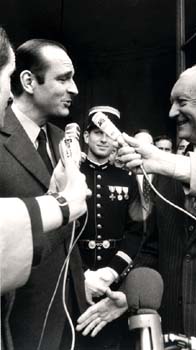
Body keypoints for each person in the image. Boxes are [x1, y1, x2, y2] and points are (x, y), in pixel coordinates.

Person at [117, 63, 196, 349]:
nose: (172, 113)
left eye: (182, 102)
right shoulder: (164, 174)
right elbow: (152, 247)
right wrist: (127, 295)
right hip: (174, 336)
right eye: (172, 103)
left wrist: (169, 164)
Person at [0, 38, 89, 350]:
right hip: (17, 319)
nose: (74, 89)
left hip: (71, 312)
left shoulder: (62, 139)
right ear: (27, 81)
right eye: (63, 78)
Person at [77, 105, 143, 350]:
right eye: (97, 132)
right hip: (75, 281)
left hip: (115, 286)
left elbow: (137, 232)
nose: (104, 139)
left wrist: (112, 272)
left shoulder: (127, 179)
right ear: (86, 136)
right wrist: (81, 273)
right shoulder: (71, 174)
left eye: (108, 134)